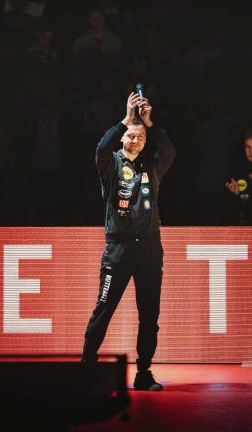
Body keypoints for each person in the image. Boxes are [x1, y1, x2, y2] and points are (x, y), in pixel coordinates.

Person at [82, 91, 175, 391]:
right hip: (118, 249)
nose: (136, 140)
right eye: (131, 136)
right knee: (104, 308)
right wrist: (125, 119)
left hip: (149, 248)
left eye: (141, 137)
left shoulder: (153, 167)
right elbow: (100, 147)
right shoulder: (109, 165)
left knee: (150, 314)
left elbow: (170, 152)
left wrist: (150, 123)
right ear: (123, 138)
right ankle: (87, 367)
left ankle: (143, 372)